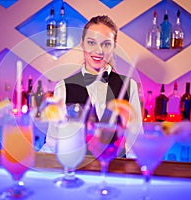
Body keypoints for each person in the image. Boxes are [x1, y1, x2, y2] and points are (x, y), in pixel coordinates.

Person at [40, 15, 143, 157]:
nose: (99, 51)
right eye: (91, 42)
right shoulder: (62, 87)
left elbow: (135, 143)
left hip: (116, 172)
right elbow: (53, 143)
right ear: (82, 44)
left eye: (106, 44)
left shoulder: (129, 86)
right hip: (77, 172)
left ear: (114, 47)